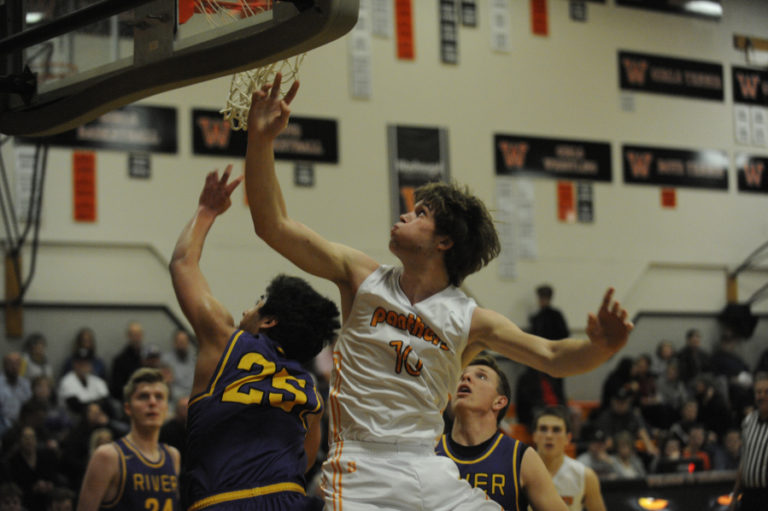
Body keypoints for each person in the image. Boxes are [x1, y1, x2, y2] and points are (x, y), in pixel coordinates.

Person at [243, 74, 634, 510]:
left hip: (429, 467)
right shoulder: (360, 276)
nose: (405, 215)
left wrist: (604, 347)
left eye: (420, 213)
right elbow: (271, 225)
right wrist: (260, 141)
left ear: (444, 241)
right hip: (360, 469)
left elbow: (554, 358)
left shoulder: (470, 319)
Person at [170, 168, 339, 510]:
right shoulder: (311, 395)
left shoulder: (224, 342)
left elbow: (183, 264)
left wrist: (206, 211)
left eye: (258, 303)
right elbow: (304, 462)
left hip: (221, 501)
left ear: (269, 320)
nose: (248, 308)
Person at [435, 355, 568, 510]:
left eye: (481, 376)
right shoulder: (431, 451)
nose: (466, 376)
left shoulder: (521, 457)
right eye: (461, 375)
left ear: (499, 402)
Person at [77, 368, 180, 511]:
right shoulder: (108, 456)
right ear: (128, 408)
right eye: (144, 396)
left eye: (159, 396)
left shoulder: (173, 456)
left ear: (167, 408)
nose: (152, 402)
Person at [531, 406, 606, 511]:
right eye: (543, 429)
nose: (549, 435)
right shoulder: (518, 472)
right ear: (534, 436)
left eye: (556, 430)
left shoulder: (585, 476)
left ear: (568, 438)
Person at [728, 372, 768, 511]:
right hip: (749, 494)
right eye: (758, 392)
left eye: (766, 392)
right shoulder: (748, 421)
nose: (762, 396)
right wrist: (734, 496)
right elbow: (744, 462)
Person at [57, 348, 110, 416]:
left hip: (99, 417)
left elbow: (106, 401)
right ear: (74, 364)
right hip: (75, 420)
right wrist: (95, 404)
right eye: (80, 363)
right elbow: (75, 406)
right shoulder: (66, 381)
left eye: (86, 363)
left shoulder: (97, 381)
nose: (83, 366)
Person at [109, 322, 145, 400]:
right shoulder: (120, 360)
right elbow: (116, 389)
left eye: (138, 334)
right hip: (129, 399)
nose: (137, 337)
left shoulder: (148, 357)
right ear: (128, 336)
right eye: (134, 334)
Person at [160, 330, 196, 404]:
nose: (182, 344)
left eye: (184, 341)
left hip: (193, 398)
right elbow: (167, 386)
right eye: (179, 341)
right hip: (175, 401)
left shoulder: (195, 359)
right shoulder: (166, 361)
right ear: (174, 343)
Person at [0, 352, 32, 433]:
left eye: (17, 363)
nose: (14, 367)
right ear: (4, 365)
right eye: (10, 363)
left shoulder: (25, 384)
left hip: (21, 424)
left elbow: (29, 406)